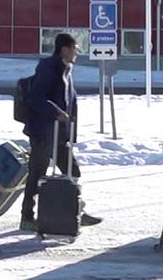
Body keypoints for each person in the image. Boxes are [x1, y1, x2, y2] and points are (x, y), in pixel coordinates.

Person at [19, 33, 102, 232]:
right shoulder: (49, 68)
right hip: (43, 132)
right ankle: (27, 217)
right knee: (37, 174)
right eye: (75, 48)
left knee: (72, 172)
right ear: (64, 49)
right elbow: (36, 97)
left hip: (59, 134)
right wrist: (56, 113)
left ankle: (76, 212)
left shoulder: (66, 69)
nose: (77, 53)